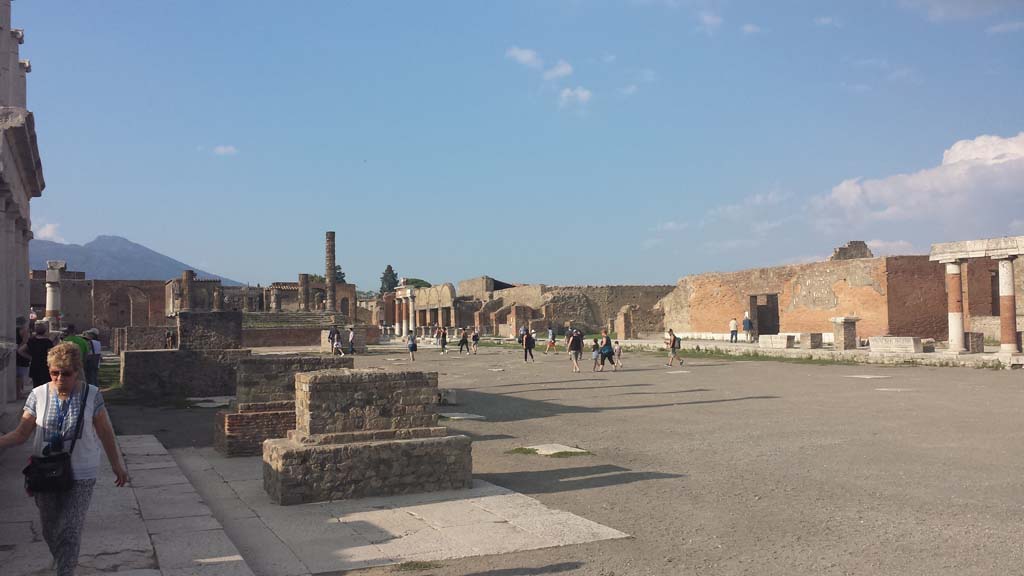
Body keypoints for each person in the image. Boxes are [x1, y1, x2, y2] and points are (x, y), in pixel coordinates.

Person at [0, 342, 130, 576]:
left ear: (77, 371)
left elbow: (105, 432)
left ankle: (65, 570)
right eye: (54, 373)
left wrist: (116, 465)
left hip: (82, 471)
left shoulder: (91, 395)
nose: (60, 378)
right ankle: (62, 560)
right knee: (50, 529)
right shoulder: (38, 395)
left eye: (66, 373)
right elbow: (21, 433)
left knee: (70, 528)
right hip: (44, 471)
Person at [27, 322, 55, 388]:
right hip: (45, 365)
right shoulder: (47, 342)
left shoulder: (31, 340)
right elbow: (50, 353)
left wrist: (30, 357)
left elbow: (20, 350)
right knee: (46, 385)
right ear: (45, 331)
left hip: (34, 364)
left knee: (36, 385)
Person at [16, 318, 32, 398]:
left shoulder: (15, 330)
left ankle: (20, 391)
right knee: (20, 375)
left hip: (18, 356)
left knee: (20, 375)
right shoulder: (23, 331)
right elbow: (25, 342)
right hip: (21, 356)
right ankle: (19, 392)